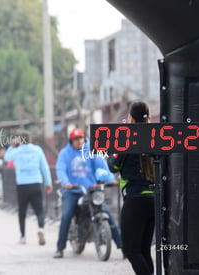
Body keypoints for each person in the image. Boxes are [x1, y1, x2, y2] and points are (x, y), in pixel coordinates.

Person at [53, 128, 122, 258]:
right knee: (66, 215)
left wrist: (110, 179)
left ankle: (122, 247)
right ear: (71, 141)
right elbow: (61, 170)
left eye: (81, 138)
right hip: (73, 191)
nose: (79, 141)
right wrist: (66, 183)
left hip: (91, 191)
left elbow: (102, 166)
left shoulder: (92, 150)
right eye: (76, 139)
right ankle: (60, 248)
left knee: (107, 214)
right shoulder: (65, 153)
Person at [107, 101, 155, 275]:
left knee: (131, 251)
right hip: (153, 201)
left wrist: (118, 141)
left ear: (131, 118)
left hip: (135, 200)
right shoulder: (154, 137)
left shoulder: (126, 141)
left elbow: (113, 165)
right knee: (143, 250)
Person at [3, 133, 53, 245]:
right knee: (39, 210)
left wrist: (12, 146)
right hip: (36, 182)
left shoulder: (17, 151)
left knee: (22, 211)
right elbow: (44, 167)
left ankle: (23, 237)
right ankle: (40, 228)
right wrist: (48, 183)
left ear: (19, 140)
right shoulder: (37, 150)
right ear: (30, 140)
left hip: (22, 184)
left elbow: (6, 158)